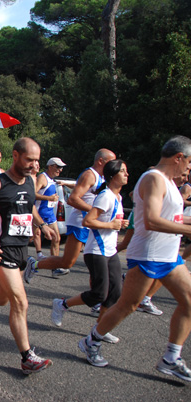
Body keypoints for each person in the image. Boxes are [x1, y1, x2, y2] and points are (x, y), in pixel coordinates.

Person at [78, 136, 191, 382]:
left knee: (189, 301)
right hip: (149, 255)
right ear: (178, 157)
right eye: (189, 163)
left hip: (169, 256)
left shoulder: (170, 182)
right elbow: (150, 220)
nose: (189, 169)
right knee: (125, 305)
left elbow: (175, 219)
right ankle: (91, 341)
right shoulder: (153, 179)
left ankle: (171, 358)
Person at [0, 138, 55, 375]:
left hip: (20, 249)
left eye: (37, 160)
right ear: (15, 156)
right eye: (29, 160)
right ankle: (27, 357)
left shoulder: (31, 181)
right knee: (20, 302)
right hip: (1, 248)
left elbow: (30, 207)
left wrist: (42, 224)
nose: (33, 165)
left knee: (0, 298)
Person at [51, 160, 129, 336]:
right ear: (113, 175)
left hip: (110, 251)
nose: (126, 174)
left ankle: (100, 329)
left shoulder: (118, 197)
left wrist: (119, 223)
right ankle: (62, 304)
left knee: (116, 292)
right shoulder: (106, 196)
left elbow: (110, 221)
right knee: (99, 294)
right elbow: (88, 221)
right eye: (123, 171)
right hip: (96, 251)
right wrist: (111, 225)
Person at [24, 149, 116, 283]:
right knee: (66, 261)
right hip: (76, 221)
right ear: (101, 161)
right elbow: (72, 199)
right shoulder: (89, 175)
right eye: (58, 167)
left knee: (95, 258)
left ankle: (97, 295)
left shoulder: (102, 178)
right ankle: (34, 262)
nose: (60, 170)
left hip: (82, 221)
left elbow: (81, 188)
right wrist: (94, 211)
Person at [33, 157, 69, 276]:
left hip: (49, 214)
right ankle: (36, 257)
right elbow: (33, 194)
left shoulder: (53, 180)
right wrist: (49, 198)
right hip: (39, 213)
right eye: (58, 167)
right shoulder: (42, 178)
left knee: (56, 238)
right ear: (50, 166)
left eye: (61, 168)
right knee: (33, 236)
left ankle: (55, 267)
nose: (60, 170)